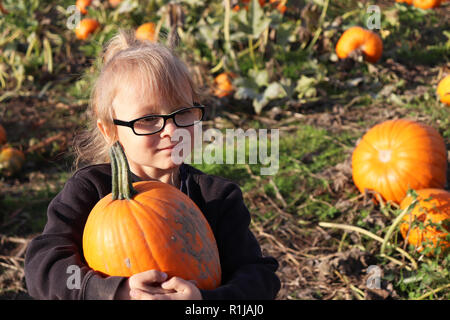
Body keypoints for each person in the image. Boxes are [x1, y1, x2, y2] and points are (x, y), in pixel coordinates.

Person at [24, 30, 280, 300]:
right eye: (147, 119)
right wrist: (118, 291)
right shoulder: (90, 191)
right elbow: (43, 268)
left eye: (182, 112)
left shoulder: (217, 198)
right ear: (110, 130)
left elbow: (258, 278)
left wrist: (204, 302)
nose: (171, 129)